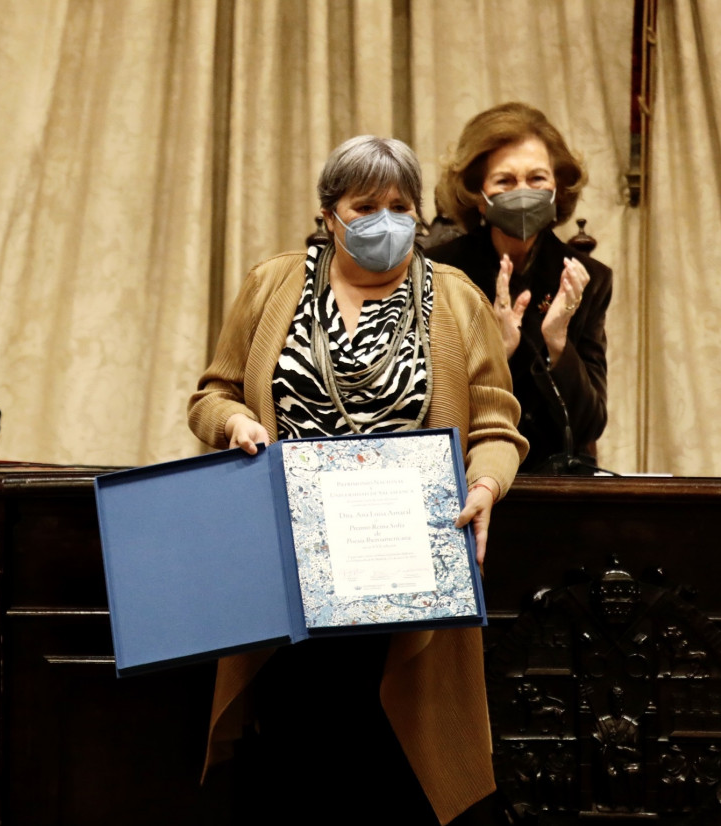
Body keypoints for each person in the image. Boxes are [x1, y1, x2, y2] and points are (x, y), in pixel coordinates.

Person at [189, 136, 527, 824]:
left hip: (406, 571)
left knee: (396, 768)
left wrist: (484, 488)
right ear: (327, 214)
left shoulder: (455, 300)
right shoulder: (271, 284)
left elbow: (495, 427)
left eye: (399, 206)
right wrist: (233, 425)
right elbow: (210, 395)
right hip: (290, 575)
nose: (384, 220)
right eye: (364, 205)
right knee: (295, 765)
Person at [428, 103, 611, 472]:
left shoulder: (586, 277)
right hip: (465, 473)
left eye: (537, 179)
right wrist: (495, 354)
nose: (523, 192)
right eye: (505, 181)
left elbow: (591, 424)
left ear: (557, 188)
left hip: (555, 484)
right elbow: (426, 413)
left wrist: (558, 344)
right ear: (479, 193)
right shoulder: (440, 271)